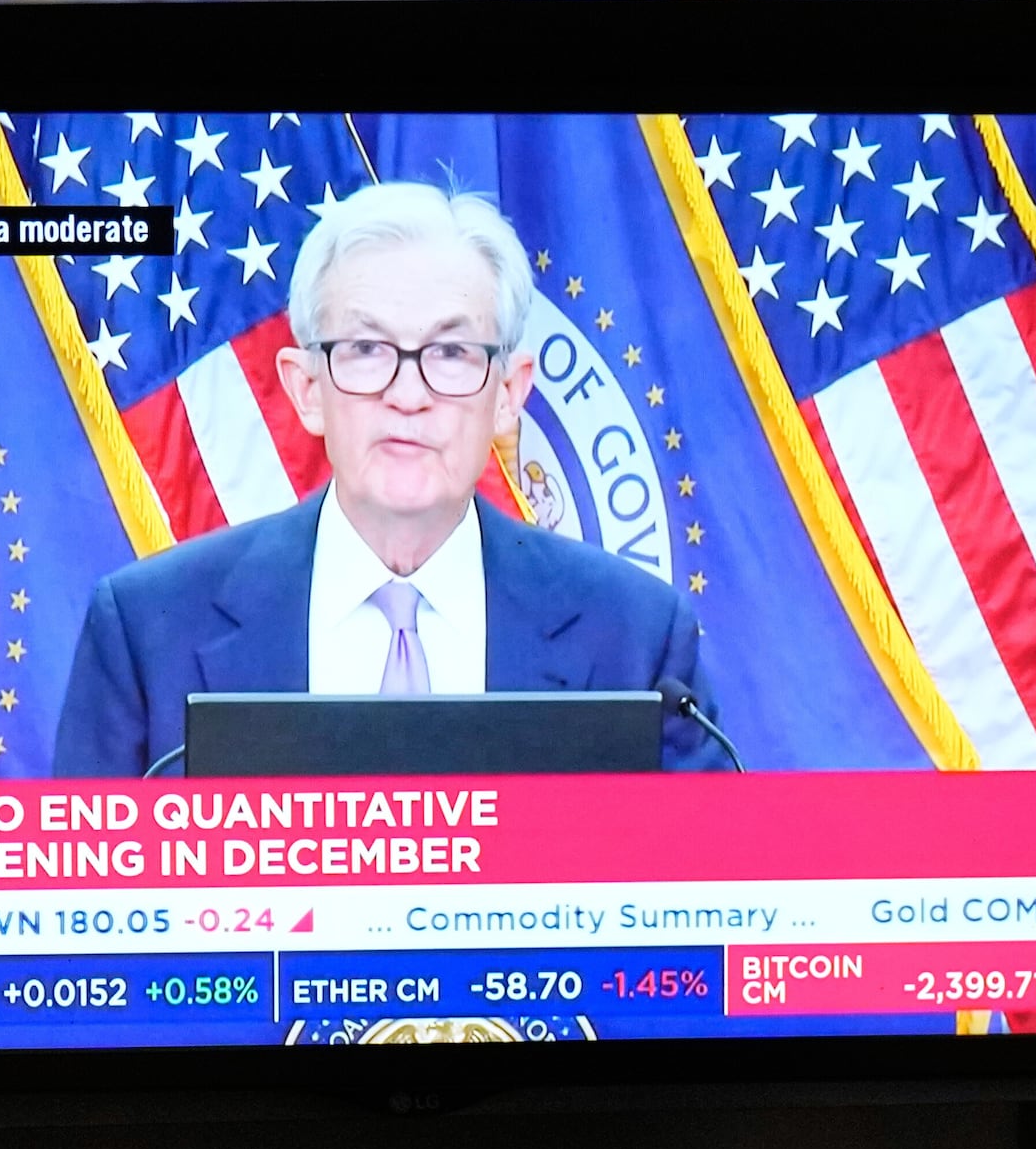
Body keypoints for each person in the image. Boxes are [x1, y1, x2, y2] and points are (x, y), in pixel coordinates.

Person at [48, 180, 735, 777]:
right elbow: (80, 912)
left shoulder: (634, 639)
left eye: (452, 351)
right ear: (306, 387)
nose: (409, 394)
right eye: (368, 349)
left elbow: (706, 890)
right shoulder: (148, 630)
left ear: (509, 392)